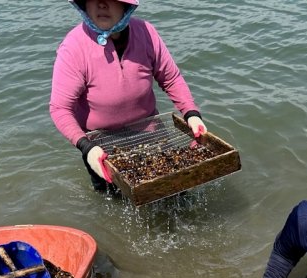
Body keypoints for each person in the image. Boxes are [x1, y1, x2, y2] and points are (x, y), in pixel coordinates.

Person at [50, 0, 207, 192]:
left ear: (126, 7)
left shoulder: (146, 33)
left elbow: (171, 78)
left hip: (150, 132)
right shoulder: (74, 47)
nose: (101, 4)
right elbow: (60, 108)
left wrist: (191, 114)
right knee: (113, 202)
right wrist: (86, 147)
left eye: (111, 0)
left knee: (176, 193)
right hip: (100, 145)